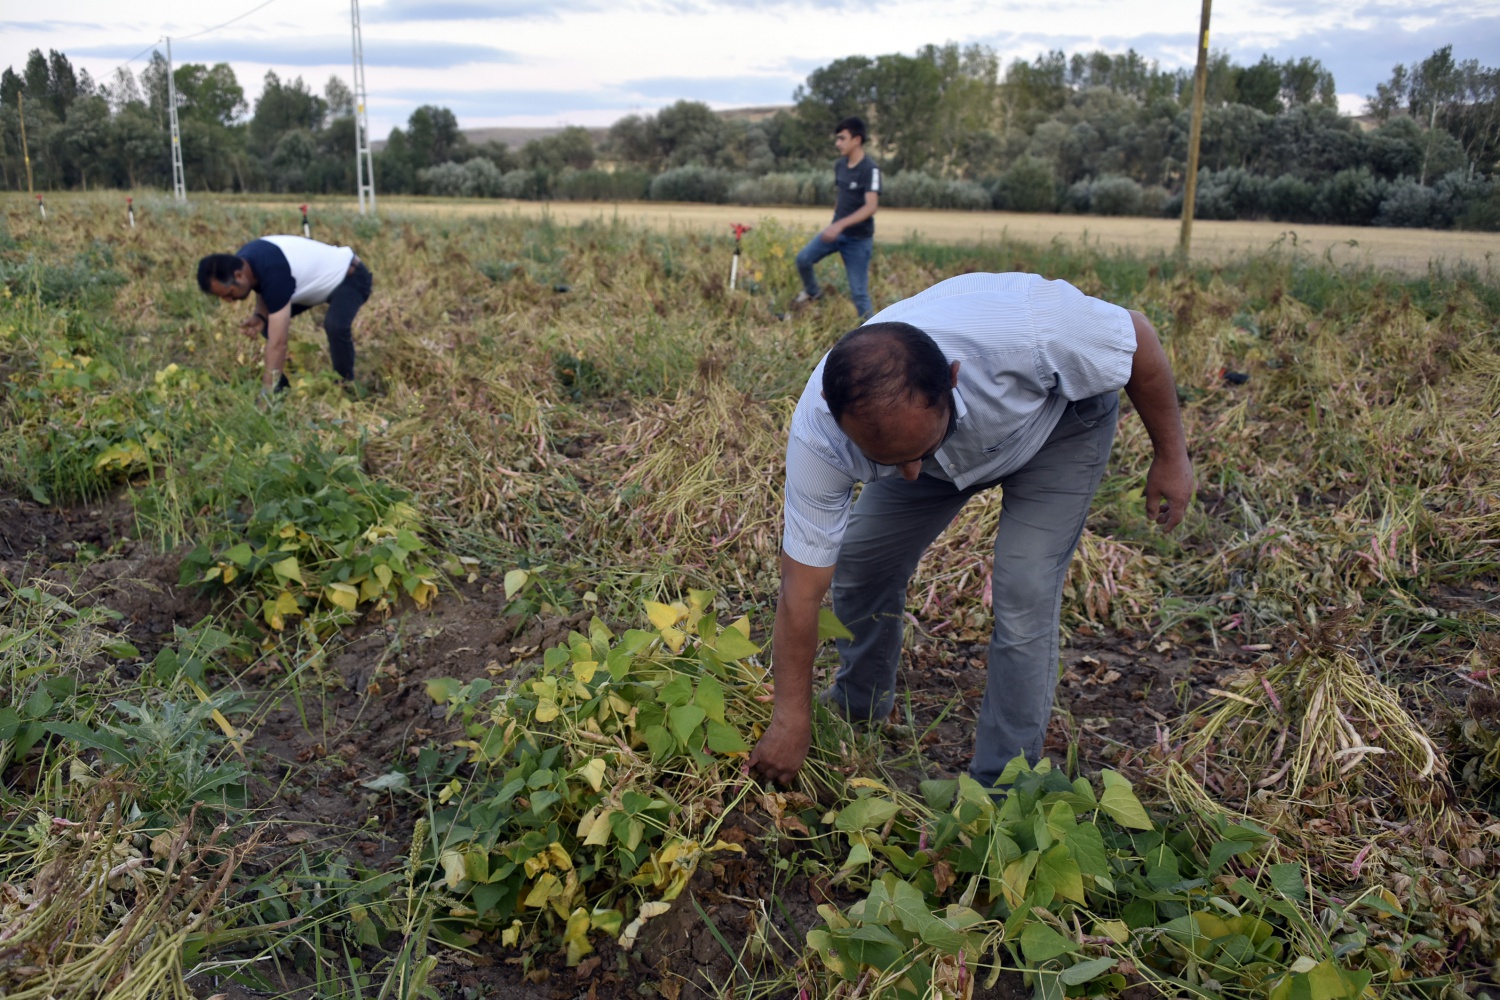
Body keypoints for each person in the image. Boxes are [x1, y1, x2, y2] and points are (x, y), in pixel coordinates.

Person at [747, 272, 1194, 790]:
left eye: (916, 452)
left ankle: (1002, 789)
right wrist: (789, 718)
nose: (908, 475)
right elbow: (800, 595)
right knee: (861, 560)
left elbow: (1136, 337)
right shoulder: (822, 435)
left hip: (1057, 427)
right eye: (886, 460)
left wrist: (1171, 455)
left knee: (1023, 589)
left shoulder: (1030, 330)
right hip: (942, 449)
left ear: (953, 379)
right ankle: (857, 704)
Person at [196, 235, 372, 396]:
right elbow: (262, 286)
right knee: (269, 327)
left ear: (239, 275)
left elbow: (278, 343)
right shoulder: (244, 261)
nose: (228, 300)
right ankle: (281, 389)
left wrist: (266, 394)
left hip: (351, 278)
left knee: (336, 325)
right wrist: (260, 316)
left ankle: (345, 386)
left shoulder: (274, 272)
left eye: (228, 293)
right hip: (313, 283)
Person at [793, 116, 880, 320]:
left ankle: (874, 335)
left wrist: (839, 225)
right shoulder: (840, 166)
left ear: (856, 140)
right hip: (836, 232)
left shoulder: (870, 169)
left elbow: (871, 206)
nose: (837, 143)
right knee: (803, 259)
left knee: (859, 294)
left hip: (858, 240)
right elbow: (841, 197)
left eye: (842, 138)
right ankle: (814, 293)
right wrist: (835, 222)